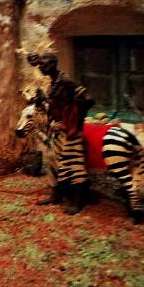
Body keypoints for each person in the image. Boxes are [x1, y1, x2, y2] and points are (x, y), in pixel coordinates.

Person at [27, 51, 94, 214]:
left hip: (71, 131)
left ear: (52, 64)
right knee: (51, 160)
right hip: (58, 130)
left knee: (74, 164)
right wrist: (43, 100)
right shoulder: (53, 84)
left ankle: (78, 202)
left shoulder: (66, 81)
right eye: (39, 65)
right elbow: (55, 106)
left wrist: (75, 119)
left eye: (43, 65)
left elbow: (89, 99)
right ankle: (55, 195)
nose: (40, 68)